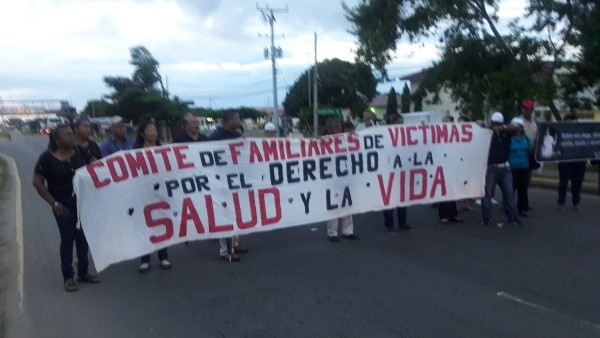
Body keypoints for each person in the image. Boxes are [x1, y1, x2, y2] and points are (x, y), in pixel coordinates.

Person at [32, 125, 100, 292]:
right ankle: (68, 277)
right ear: (57, 139)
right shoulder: (46, 158)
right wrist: (53, 203)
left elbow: (98, 166)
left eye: (72, 134)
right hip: (62, 207)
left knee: (83, 240)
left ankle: (83, 273)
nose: (72, 137)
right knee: (67, 239)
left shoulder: (81, 152)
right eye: (68, 135)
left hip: (83, 203)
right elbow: (37, 182)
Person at [209, 110, 248, 261]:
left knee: (236, 213)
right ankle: (225, 251)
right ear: (230, 120)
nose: (239, 120)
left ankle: (235, 243)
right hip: (220, 183)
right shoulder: (215, 137)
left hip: (235, 182)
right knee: (224, 215)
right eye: (237, 118)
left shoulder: (236, 135)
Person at [135, 121, 172, 272]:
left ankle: (163, 257)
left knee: (162, 223)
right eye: (150, 130)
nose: (154, 132)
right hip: (143, 192)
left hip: (160, 192)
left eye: (155, 130)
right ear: (143, 134)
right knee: (145, 225)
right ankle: (145, 259)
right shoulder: (135, 151)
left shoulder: (163, 149)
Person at [481, 112, 522, 227]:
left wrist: (502, 127)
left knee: (509, 192)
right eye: (495, 123)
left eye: (498, 123)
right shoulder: (487, 133)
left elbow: (517, 128)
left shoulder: (507, 133)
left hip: (505, 167)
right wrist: (489, 127)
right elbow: (480, 127)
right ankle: (486, 218)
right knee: (487, 193)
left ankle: (512, 216)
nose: (496, 125)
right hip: (490, 167)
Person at [323, 116, 359, 242]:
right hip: (331, 179)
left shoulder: (346, 139)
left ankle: (347, 231)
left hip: (346, 177)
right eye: (335, 127)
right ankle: (332, 232)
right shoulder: (323, 141)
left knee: (348, 204)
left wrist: (354, 137)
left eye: (339, 127)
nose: (338, 129)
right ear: (329, 129)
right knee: (333, 205)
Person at [383, 113, 413, 234]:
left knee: (402, 198)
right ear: (392, 123)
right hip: (388, 170)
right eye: (398, 122)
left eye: (402, 122)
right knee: (389, 199)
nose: (401, 125)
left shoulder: (405, 134)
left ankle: (403, 222)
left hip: (402, 170)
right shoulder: (384, 134)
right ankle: (389, 224)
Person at [557, 114, 587, 212]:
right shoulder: (561, 134)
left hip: (579, 161)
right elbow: (557, 147)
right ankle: (561, 202)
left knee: (577, 183)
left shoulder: (582, 133)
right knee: (563, 183)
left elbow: (587, 146)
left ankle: (576, 203)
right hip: (565, 161)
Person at [508, 117, 532, 217]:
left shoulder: (525, 138)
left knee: (523, 189)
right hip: (511, 167)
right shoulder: (508, 138)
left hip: (524, 167)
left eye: (519, 127)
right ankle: (510, 208)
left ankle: (523, 208)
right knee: (511, 189)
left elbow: (530, 150)